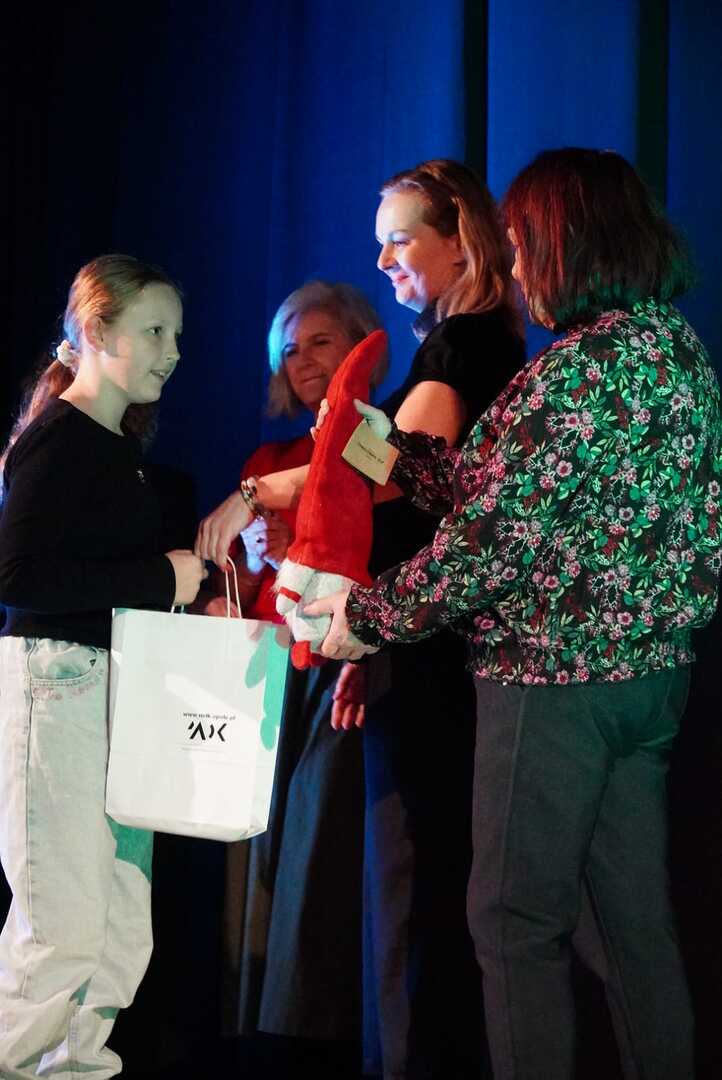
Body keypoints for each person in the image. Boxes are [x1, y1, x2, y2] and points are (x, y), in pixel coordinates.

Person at [306, 148, 722, 1079]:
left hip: (555, 685)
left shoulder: (580, 369)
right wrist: (386, 454)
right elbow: (505, 495)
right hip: (648, 682)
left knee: (512, 920)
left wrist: (366, 616)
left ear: (571, 241)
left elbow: (493, 542)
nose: (520, 267)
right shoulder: (673, 349)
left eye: (527, 245)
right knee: (628, 930)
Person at [198, 158, 526, 1078]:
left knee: (419, 895)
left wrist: (260, 492)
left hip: (438, 658)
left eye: (399, 240)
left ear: (461, 241)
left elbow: (390, 471)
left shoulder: (464, 350)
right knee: (413, 894)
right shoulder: (464, 343)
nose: (382, 261)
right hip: (414, 644)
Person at [0, 254, 206, 1079]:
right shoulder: (59, 440)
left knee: (119, 928)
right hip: (59, 685)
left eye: (177, 335)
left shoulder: (116, 446)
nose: (171, 352)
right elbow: (19, 578)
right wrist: (160, 577)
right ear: (95, 331)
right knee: (62, 927)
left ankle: (74, 1069)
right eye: (153, 331)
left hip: (112, 689)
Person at [198, 281, 387, 1052]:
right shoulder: (268, 460)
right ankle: (258, 1031)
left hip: (337, 676)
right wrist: (246, 574)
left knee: (320, 867)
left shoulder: (378, 438)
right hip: (267, 680)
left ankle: (320, 1033)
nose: (303, 361)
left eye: (320, 343)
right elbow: (238, 590)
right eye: (290, 350)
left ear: (357, 345)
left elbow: (384, 532)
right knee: (261, 870)